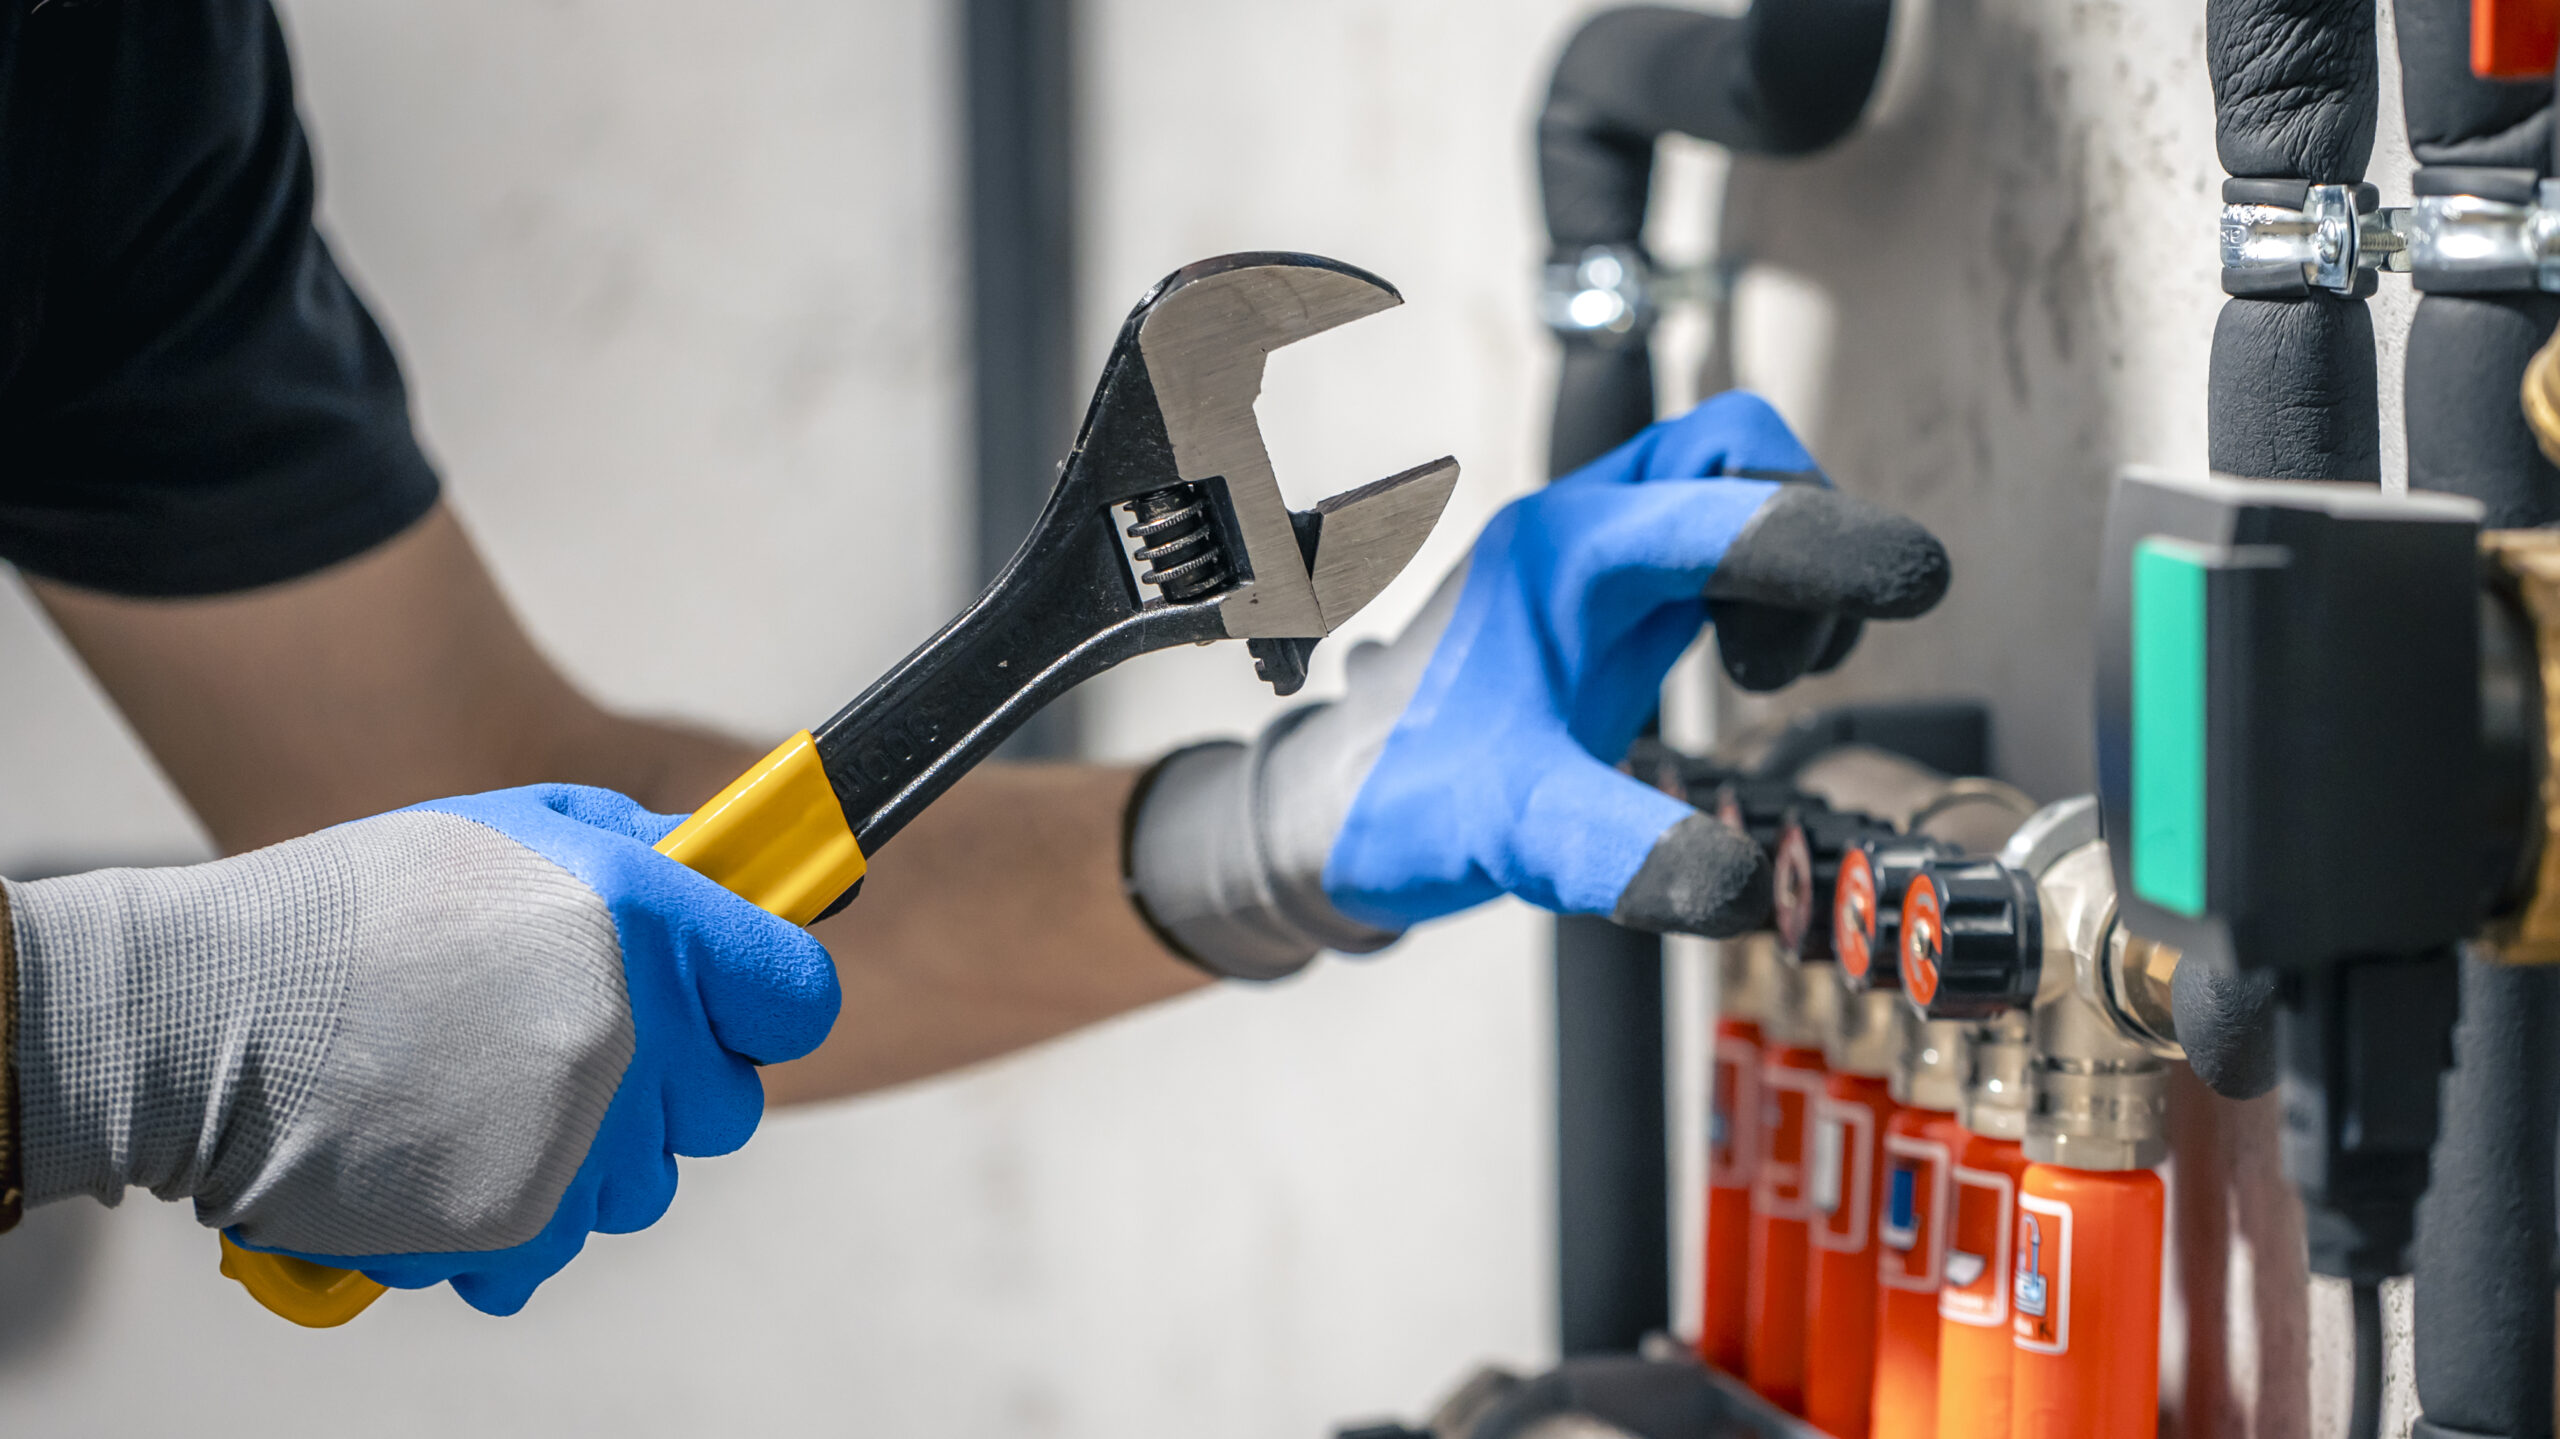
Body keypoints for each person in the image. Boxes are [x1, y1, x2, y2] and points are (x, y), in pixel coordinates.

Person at [0, 0, 1949, 1315]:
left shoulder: (101, 82)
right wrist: (92, 1036)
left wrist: (1275, 824)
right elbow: (231, 1001)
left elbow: (450, 832)